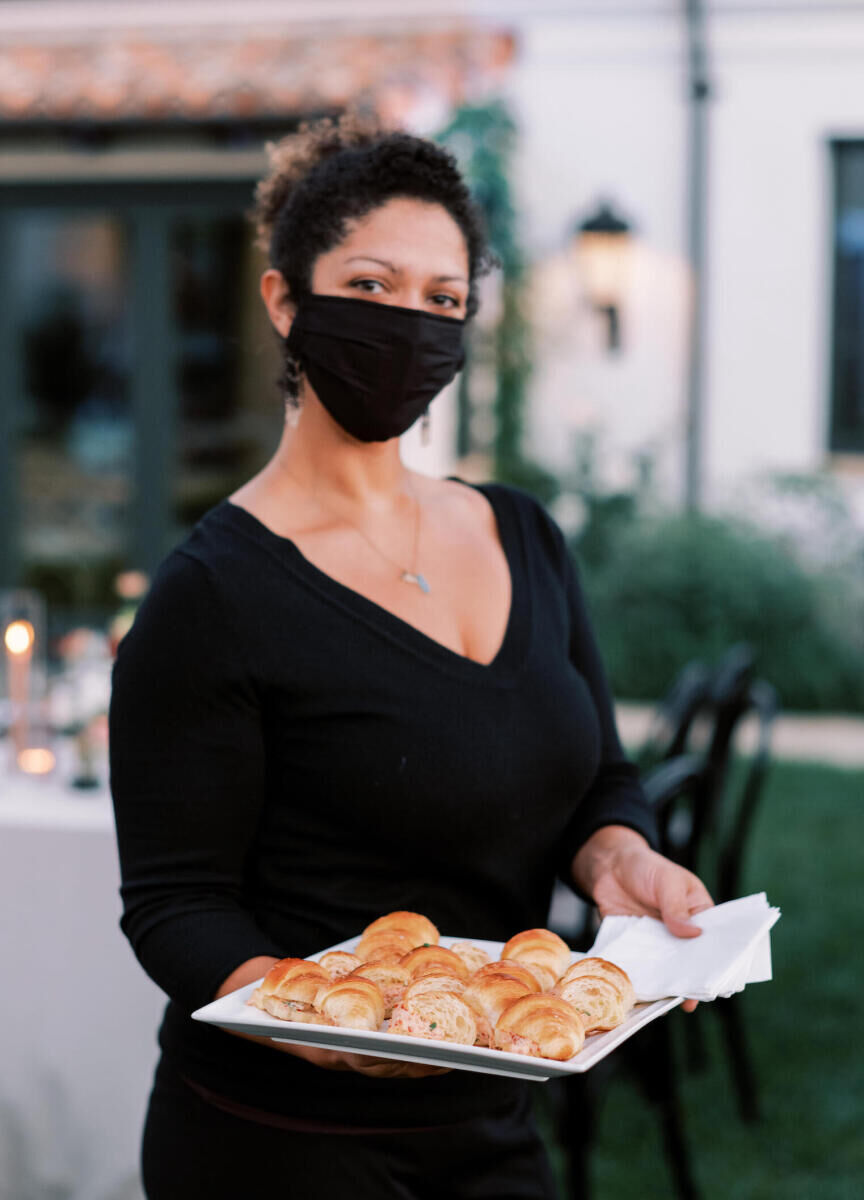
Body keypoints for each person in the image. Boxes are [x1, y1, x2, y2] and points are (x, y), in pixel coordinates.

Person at [109, 114, 713, 1200]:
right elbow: (175, 905)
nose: (410, 328)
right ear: (285, 300)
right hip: (274, 1139)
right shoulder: (213, 595)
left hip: (490, 1105)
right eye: (373, 287)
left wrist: (620, 857)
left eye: (443, 302)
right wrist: (312, 1025)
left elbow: (598, 780)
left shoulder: (521, 534)